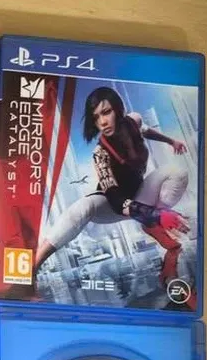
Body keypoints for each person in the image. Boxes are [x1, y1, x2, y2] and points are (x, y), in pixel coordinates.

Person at [34, 87, 190, 288]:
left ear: (118, 109)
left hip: (140, 195)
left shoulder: (133, 121)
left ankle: (155, 229)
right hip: (111, 205)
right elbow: (116, 199)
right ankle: (34, 264)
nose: (102, 122)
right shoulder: (100, 154)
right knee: (83, 206)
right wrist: (156, 215)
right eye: (96, 117)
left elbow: (146, 130)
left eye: (106, 112)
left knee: (177, 172)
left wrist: (171, 141)